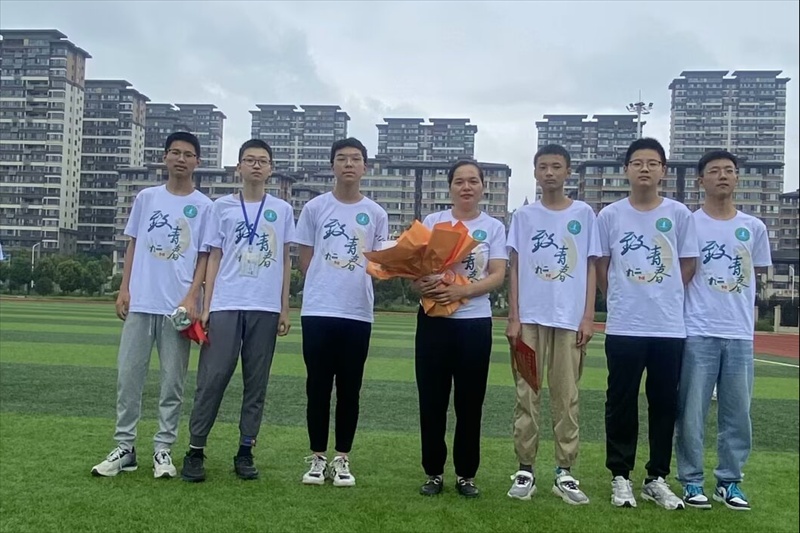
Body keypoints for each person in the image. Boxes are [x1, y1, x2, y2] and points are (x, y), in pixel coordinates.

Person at [91, 132, 212, 478]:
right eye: (175, 152)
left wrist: (192, 297)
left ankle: (163, 449)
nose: (180, 159)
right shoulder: (146, 198)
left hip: (178, 310)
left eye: (187, 154)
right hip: (141, 302)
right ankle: (125, 447)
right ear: (164, 157)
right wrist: (124, 288)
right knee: (129, 377)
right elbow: (133, 244)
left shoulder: (205, 206)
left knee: (172, 383)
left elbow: (204, 256)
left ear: (197, 162)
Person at [180, 139, 294, 482]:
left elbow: (285, 261)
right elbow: (213, 256)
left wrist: (284, 308)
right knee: (212, 379)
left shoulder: (282, 210)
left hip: (265, 306)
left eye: (262, 161)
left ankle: (245, 451)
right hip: (226, 304)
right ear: (239, 167)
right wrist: (207, 305)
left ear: (271, 169)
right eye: (249, 160)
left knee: (256, 383)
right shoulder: (221, 208)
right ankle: (195, 450)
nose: (256, 165)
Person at [596, 137, 698, 509]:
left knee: (664, 403)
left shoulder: (679, 214)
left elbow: (688, 263)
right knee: (620, 401)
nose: (644, 168)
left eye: (652, 163)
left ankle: (656, 477)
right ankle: (620, 475)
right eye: (637, 162)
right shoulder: (610, 215)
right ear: (626, 169)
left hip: (668, 326)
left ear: (663, 171)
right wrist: (621, 296)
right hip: (625, 325)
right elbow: (602, 265)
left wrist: (663, 292)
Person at [675, 150, 771, 511]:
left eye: (729, 171)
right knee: (691, 413)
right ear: (701, 180)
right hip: (697, 331)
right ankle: (691, 480)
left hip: (740, 334)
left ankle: (729, 481)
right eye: (714, 171)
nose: (723, 176)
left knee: (737, 414)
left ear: (737, 178)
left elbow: (755, 274)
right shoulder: (689, 224)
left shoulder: (754, 227)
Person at [505, 144, 600, 504]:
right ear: (535, 172)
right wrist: (514, 316)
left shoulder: (584, 214)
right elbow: (515, 267)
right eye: (543, 167)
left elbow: (590, 266)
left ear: (567, 171)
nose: (549, 173)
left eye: (556, 166)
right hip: (529, 320)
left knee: (566, 396)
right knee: (526, 395)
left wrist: (588, 316)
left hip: (569, 320)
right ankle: (525, 469)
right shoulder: (524, 216)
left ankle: (565, 472)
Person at [294, 138, 388, 487]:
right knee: (317, 387)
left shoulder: (376, 213)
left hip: (357, 312)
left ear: (365, 167)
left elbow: (379, 263)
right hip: (319, 310)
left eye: (355, 159)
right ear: (332, 165)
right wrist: (325, 283)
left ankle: (343, 458)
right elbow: (305, 258)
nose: (349, 164)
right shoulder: (315, 208)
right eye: (342, 158)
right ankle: (318, 458)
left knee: (350, 389)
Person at [414, 159, 507, 498]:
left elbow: (497, 274)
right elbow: (416, 269)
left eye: (473, 181)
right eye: (459, 181)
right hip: (434, 321)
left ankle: (466, 474)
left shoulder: (493, 227)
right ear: (450, 187)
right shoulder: (433, 222)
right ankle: (434, 472)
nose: (466, 187)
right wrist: (422, 283)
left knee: (470, 403)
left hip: (474, 324)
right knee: (432, 401)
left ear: (483, 187)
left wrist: (462, 291)